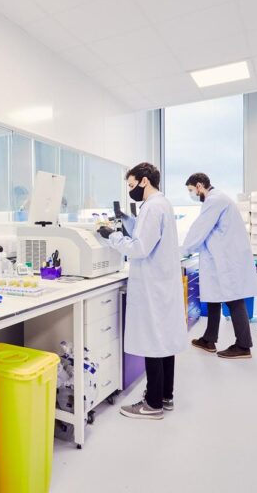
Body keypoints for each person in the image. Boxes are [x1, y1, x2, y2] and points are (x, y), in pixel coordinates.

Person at [97, 162, 187, 420]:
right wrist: (125, 224)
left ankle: (152, 404)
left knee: (153, 342)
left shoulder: (152, 207)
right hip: (161, 284)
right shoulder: (162, 204)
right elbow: (147, 235)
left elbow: (139, 248)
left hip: (152, 286)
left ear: (144, 180)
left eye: (131, 184)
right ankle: (166, 396)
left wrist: (111, 236)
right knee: (164, 341)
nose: (130, 190)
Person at [182, 173, 257, 359]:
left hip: (227, 260)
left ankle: (243, 345)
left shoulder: (214, 200)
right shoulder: (219, 199)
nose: (192, 195)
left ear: (199, 186)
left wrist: (183, 250)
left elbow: (199, 229)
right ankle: (209, 339)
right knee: (213, 296)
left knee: (234, 298)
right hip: (220, 258)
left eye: (191, 190)